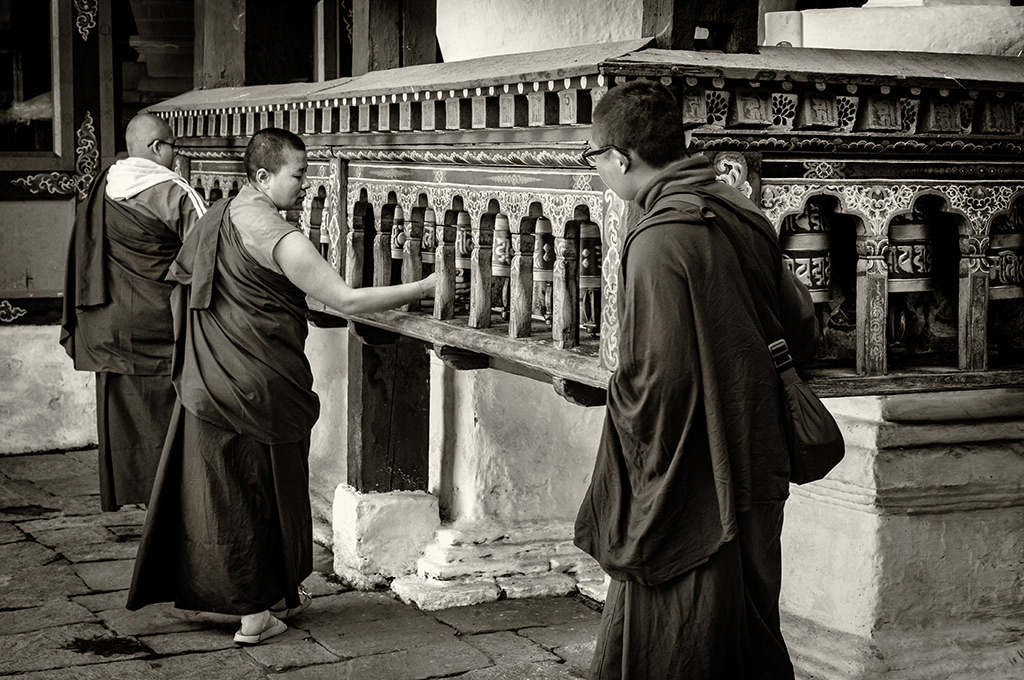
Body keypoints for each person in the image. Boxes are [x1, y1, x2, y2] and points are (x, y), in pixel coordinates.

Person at [126, 127, 436, 645]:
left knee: (224, 495)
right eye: (299, 173)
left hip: (214, 377)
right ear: (264, 176)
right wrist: (425, 286)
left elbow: (186, 289)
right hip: (260, 386)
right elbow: (346, 299)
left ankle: (259, 598)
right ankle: (254, 616)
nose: (305, 183)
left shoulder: (221, 215)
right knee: (258, 496)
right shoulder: (279, 236)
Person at [574, 80, 818, 679]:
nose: (596, 169)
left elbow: (655, 381)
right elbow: (800, 323)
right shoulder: (742, 211)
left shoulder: (659, 239)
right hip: (755, 449)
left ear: (622, 157)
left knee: (681, 627)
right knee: (749, 613)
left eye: (593, 156)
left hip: (691, 471)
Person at [61, 113, 206, 512]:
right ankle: (176, 497)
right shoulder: (173, 191)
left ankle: (133, 494)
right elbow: (207, 257)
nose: (176, 155)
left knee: (123, 412)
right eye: (173, 146)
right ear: (158, 148)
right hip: (158, 323)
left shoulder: (104, 184)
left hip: (109, 321)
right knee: (170, 411)